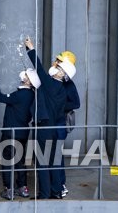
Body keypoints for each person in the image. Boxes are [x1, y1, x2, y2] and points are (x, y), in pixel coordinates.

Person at [24, 37, 75, 199]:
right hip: (53, 128)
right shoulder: (62, 90)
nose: (54, 65)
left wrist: (30, 49)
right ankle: (56, 191)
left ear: (62, 72)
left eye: (57, 65)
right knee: (53, 162)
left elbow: (38, 67)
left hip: (43, 129)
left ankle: (44, 194)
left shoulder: (50, 84)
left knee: (42, 163)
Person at [0, 66, 37, 200]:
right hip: (23, 133)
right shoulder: (32, 95)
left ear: (29, 82)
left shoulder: (19, 95)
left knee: (7, 160)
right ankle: (22, 187)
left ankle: (8, 189)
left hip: (11, 132)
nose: (24, 75)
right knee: (20, 160)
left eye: (27, 75)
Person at [54, 50, 80, 198]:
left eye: (59, 61)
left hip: (60, 123)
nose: (56, 63)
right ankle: (54, 184)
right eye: (56, 60)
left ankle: (61, 184)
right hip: (51, 122)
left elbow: (76, 103)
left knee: (56, 155)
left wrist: (58, 105)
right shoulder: (52, 79)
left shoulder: (69, 84)